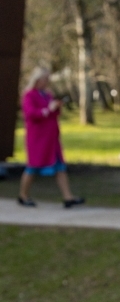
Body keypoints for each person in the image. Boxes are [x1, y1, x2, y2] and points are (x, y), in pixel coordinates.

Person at [18, 67, 84, 208]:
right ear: (38, 80)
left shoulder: (47, 94)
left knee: (59, 167)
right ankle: (23, 195)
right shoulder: (29, 95)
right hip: (38, 138)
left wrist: (56, 107)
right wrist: (47, 110)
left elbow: (53, 113)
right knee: (33, 167)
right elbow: (30, 114)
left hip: (51, 138)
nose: (47, 82)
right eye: (45, 79)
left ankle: (68, 197)